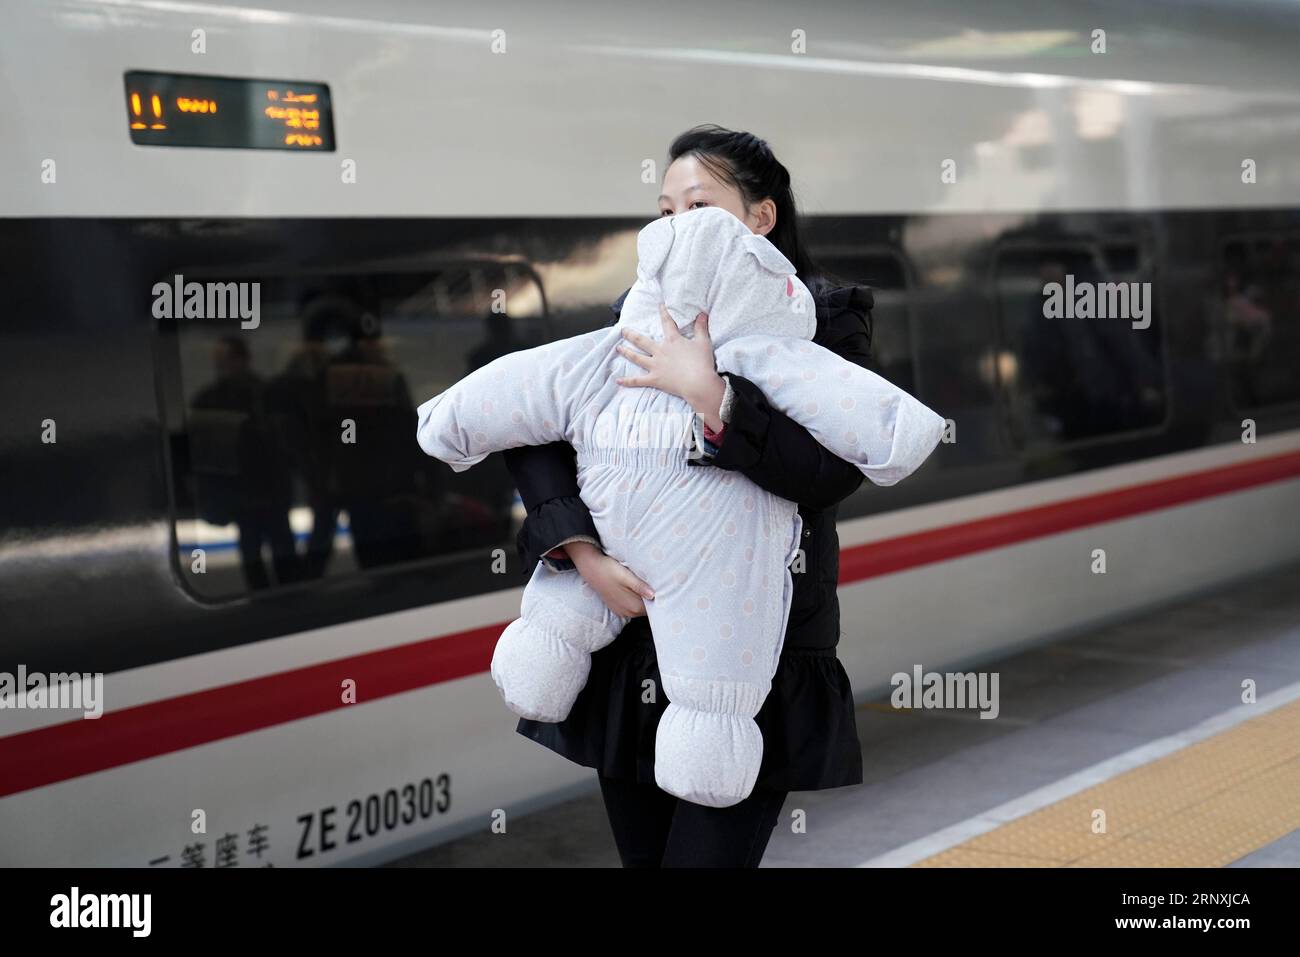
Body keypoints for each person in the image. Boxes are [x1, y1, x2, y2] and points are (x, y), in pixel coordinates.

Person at [504, 124, 875, 867]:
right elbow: (532, 419)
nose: (673, 227)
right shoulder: (638, 308)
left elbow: (831, 468)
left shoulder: (825, 319)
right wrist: (582, 555)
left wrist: (712, 396)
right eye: (664, 210)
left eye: (696, 205)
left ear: (760, 216)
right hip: (628, 638)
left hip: (749, 659)